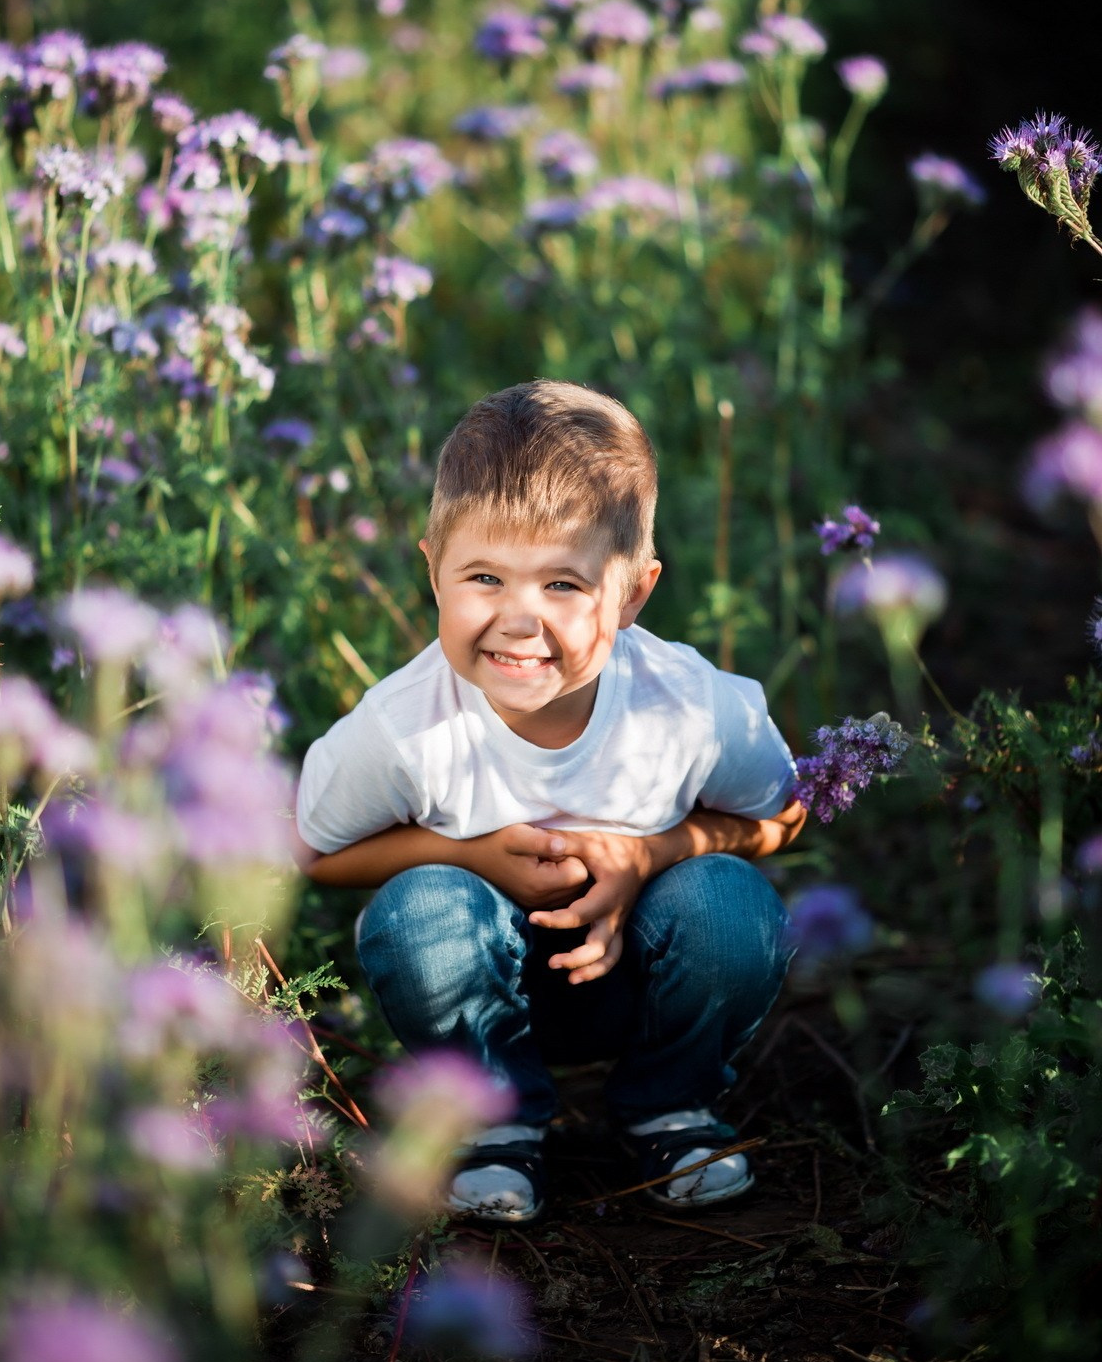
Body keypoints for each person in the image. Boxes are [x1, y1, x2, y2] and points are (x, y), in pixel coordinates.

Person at [294, 381, 806, 1224]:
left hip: (644, 976)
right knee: (418, 910)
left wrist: (654, 854)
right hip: (474, 987)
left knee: (731, 908)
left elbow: (785, 813)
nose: (518, 619)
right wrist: (469, 855)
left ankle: (668, 1108)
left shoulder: (689, 706)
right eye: (484, 576)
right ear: (432, 567)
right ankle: (494, 1125)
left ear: (633, 595)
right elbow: (313, 852)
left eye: (564, 585)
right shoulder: (402, 728)